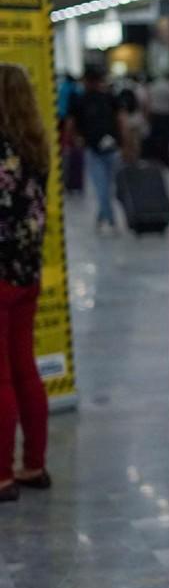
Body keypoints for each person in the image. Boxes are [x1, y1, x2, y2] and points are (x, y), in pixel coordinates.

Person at [0, 64, 52, 503]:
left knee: (0, 378)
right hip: (27, 272)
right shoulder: (36, 147)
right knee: (24, 369)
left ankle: (1, 475)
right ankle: (34, 464)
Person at [66, 68, 122, 234]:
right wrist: (124, 142)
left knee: (101, 186)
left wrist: (76, 140)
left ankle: (105, 217)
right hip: (111, 146)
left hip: (92, 147)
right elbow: (121, 120)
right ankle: (108, 217)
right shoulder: (110, 97)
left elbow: (70, 124)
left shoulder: (79, 100)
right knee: (107, 186)